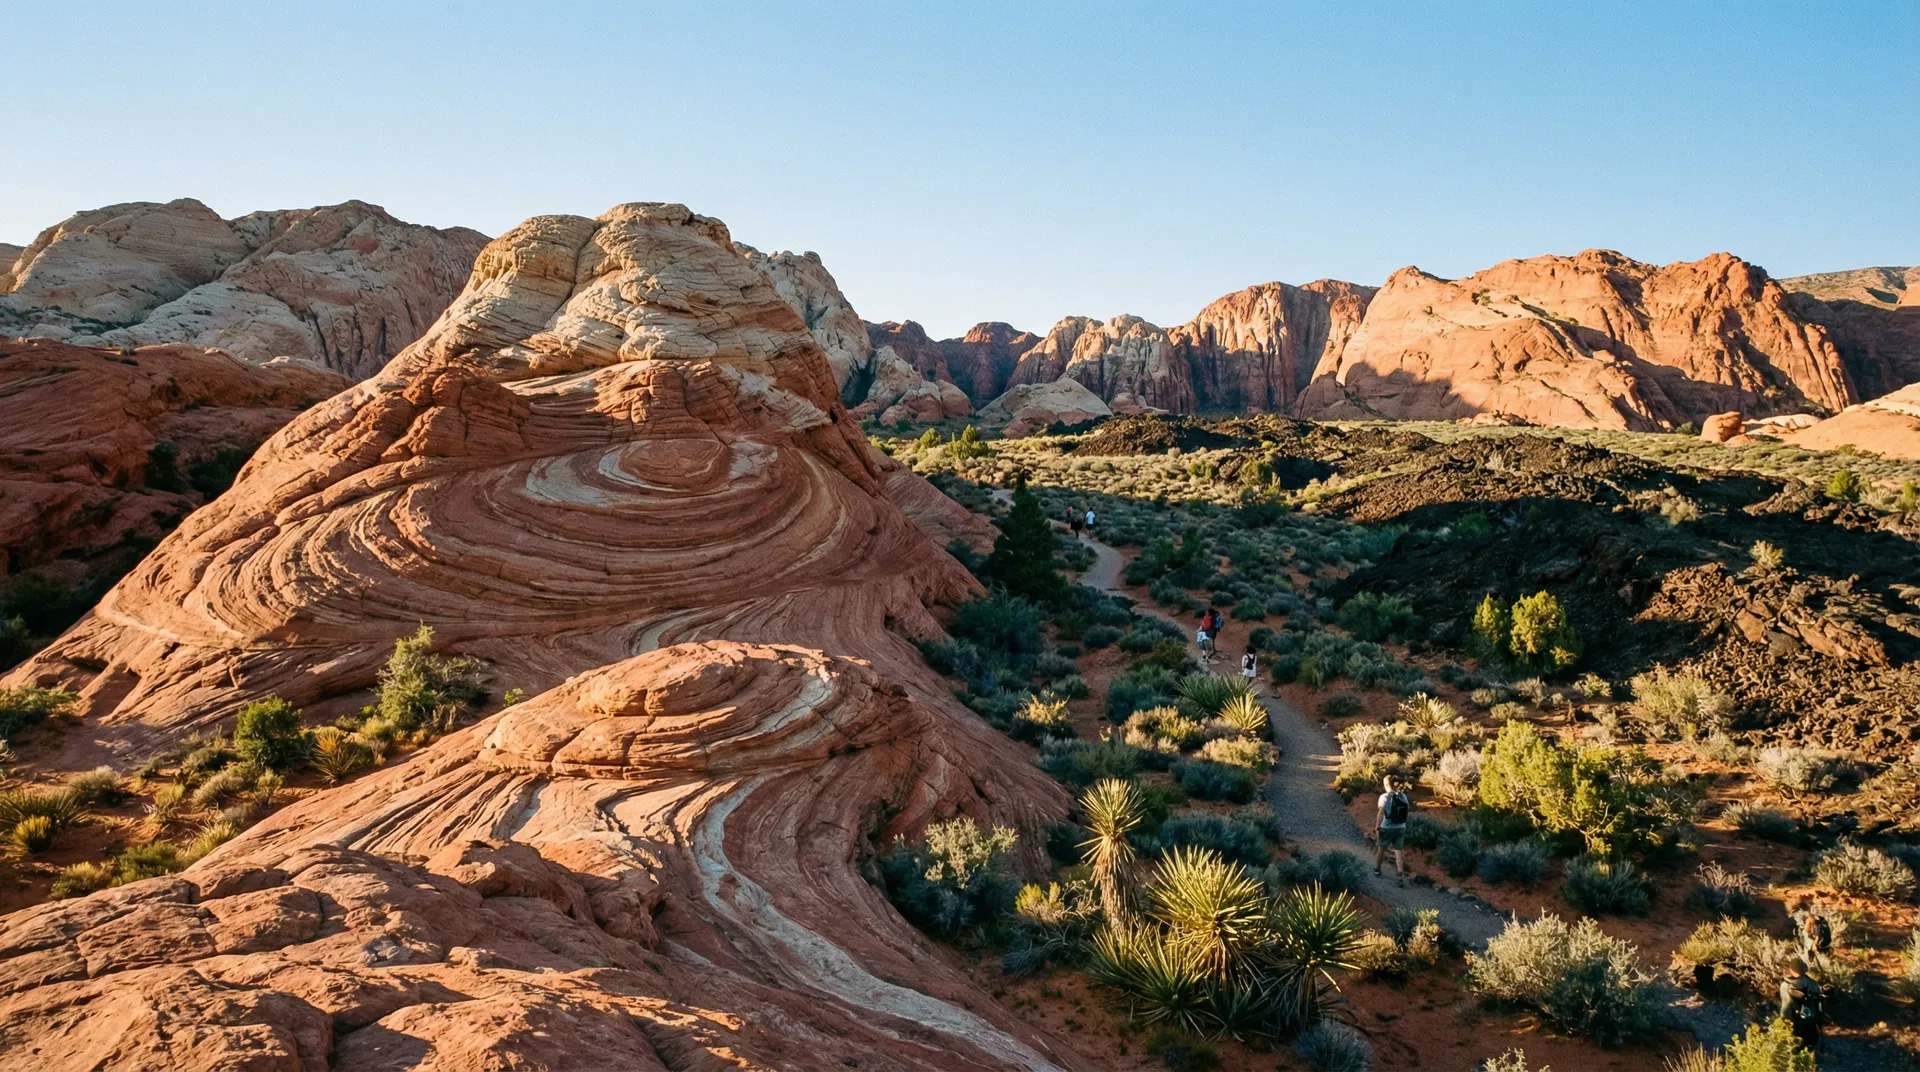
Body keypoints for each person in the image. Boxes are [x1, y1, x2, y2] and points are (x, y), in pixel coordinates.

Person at [1779, 959, 1824, 1051]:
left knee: (1794, 1046)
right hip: (1809, 1020)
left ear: (1791, 970)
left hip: (1794, 1022)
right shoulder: (1811, 983)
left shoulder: (1785, 985)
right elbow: (1819, 997)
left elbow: (1785, 1008)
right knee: (1809, 1043)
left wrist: (1784, 1023)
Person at [1374, 775, 1411, 886]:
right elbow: (1407, 809)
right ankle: (1400, 874)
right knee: (1398, 851)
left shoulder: (1384, 797)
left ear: (1386, 784)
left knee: (1381, 848)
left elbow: (1380, 814)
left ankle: (1377, 869)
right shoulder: (1403, 796)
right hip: (1401, 827)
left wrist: (1377, 828)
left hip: (1387, 828)